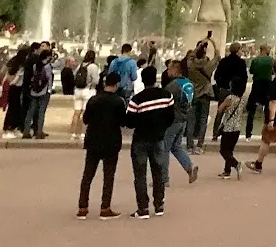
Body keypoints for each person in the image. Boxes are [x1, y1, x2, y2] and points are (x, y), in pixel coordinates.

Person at [123, 65, 174, 218]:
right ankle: (159, 205)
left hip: (140, 139)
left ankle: (143, 208)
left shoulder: (137, 99)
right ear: (155, 78)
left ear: (143, 80)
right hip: (158, 138)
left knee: (140, 175)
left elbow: (129, 122)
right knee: (158, 172)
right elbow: (171, 117)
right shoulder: (167, 96)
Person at [77, 70, 126, 219]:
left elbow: (85, 119)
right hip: (111, 141)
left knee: (88, 175)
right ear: (117, 84)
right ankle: (105, 207)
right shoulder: (118, 101)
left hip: (93, 140)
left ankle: (83, 207)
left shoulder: (94, 99)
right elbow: (123, 122)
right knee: (108, 176)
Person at [163, 59, 200, 185]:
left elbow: (165, 102)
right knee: (176, 147)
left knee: (165, 148)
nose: (168, 71)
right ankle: (189, 166)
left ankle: (163, 178)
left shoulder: (173, 86)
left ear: (175, 70)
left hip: (172, 119)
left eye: (169, 69)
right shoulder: (188, 83)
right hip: (183, 118)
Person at [183, 38, 218, 151]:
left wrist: (199, 46)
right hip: (205, 95)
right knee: (203, 120)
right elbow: (218, 56)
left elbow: (190, 56)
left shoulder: (191, 65)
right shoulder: (208, 65)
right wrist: (212, 42)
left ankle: (189, 145)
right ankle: (200, 145)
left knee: (191, 120)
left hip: (193, 94)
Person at [244, 43, 274, 138]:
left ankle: (248, 133)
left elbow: (251, 71)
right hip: (268, 86)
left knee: (251, 110)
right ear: (265, 50)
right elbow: (273, 71)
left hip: (256, 85)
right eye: (269, 49)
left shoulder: (255, 60)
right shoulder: (271, 60)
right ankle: (267, 132)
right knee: (268, 109)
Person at [216, 88, 243, 178]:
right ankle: (227, 171)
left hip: (228, 128)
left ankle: (236, 164)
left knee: (223, 150)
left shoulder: (229, 98)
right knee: (229, 151)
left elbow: (220, 109)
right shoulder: (241, 100)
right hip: (237, 128)